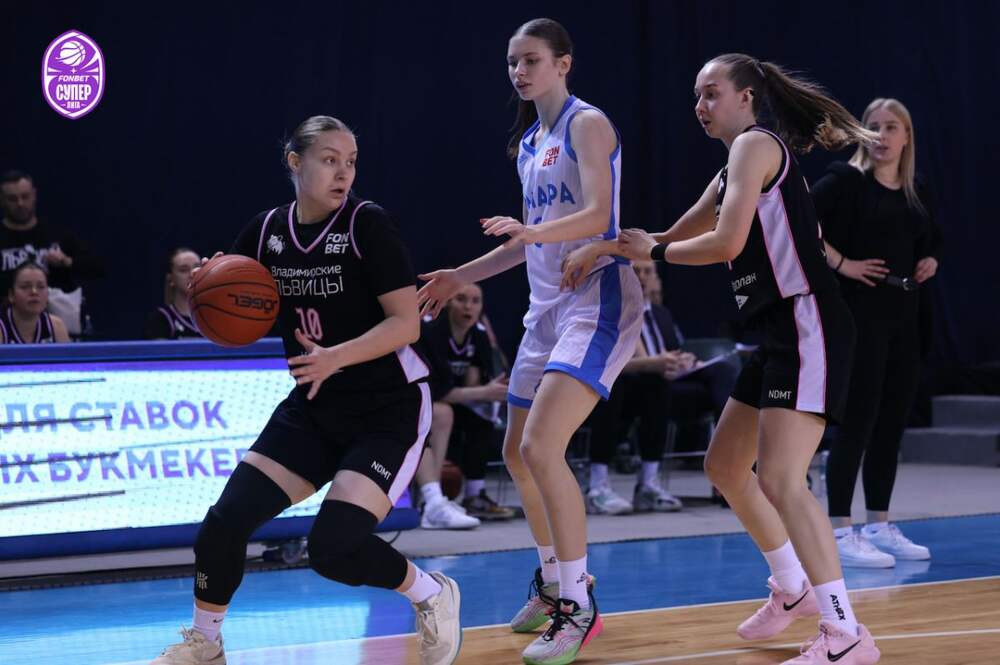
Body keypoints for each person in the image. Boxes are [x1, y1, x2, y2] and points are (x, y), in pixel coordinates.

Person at [565, 54, 882, 664]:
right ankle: (792, 587)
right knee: (726, 466)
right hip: (775, 331)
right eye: (696, 95)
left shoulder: (756, 146)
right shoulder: (731, 165)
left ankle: (846, 633)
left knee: (782, 479)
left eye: (711, 93)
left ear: (747, 98)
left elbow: (722, 242)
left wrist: (653, 251)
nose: (700, 106)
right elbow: (672, 234)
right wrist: (605, 249)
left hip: (807, 321)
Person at [150, 116, 461, 665]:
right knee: (224, 523)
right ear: (296, 162)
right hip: (316, 407)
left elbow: (406, 324)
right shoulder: (267, 231)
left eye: (351, 162)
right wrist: (207, 287)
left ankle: (431, 593)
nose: (344, 173)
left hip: (387, 409)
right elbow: (236, 301)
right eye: (330, 160)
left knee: (333, 548)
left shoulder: (367, 224)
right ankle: (206, 643)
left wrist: (335, 356)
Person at [417, 18, 643, 665]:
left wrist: (534, 232)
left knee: (544, 447)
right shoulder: (528, 144)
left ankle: (578, 603)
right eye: (513, 61)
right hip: (545, 311)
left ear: (563, 63)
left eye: (532, 59)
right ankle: (550, 584)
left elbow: (598, 214)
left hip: (596, 298)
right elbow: (526, 243)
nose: (520, 71)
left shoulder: (586, 124)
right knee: (517, 454)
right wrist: (461, 274)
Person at [813, 98, 940, 568]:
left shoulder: (915, 188)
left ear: (907, 137)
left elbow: (930, 237)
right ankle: (840, 529)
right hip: (861, 312)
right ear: (861, 133)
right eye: (873, 126)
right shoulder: (846, 180)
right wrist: (843, 263)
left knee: (891, 423)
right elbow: (800, 220)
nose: (882, 136)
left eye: (892, 127)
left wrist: (931, 259)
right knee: (858, 421)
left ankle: (879, 524)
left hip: (906, 313)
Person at [584, 260, 690, 515]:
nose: (641, 277)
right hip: (609, 387)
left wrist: (683, 361)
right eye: (636, 271)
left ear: (656, 279)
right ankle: (597, 487)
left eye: (647, 271)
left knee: (662, 385)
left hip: (655, 386)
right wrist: (652, 364)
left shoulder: (661, 314)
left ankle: (648, 484)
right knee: (612, 386)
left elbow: (673, 353)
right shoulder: (609, 311)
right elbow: (604, 363)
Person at [415, 283, 515, 527]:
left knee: (483, 416)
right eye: (461, 299)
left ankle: (474, 494)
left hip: (453, 398)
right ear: (448, 302)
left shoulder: (478, 334)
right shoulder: (430, 330)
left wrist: (490, 391)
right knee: (443, 413)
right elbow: (436, 391)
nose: (468, 307)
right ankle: (433, 499)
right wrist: (483, 391)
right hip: (420, 399)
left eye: (475, 301)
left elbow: (472, 382)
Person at [0, 170, 105, 336]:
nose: (20, 203)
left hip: (58, 325)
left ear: (34, 195)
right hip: (7, 327)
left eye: (25, 196)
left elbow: (98, 268)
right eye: (12, 199)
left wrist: (67, 261)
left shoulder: (56, 233)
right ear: (2, 200)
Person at [0, 261, 69, 344]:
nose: (34, 292)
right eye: (25, 287)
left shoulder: (56, 326)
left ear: (48, 294)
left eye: (41, 287)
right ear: (11, 295)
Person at [144, 247, 204, 340]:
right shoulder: (161, 319)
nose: (192, 274)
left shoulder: (216, 316)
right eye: (184, 270)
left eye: (197, 267)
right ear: (171, 278)